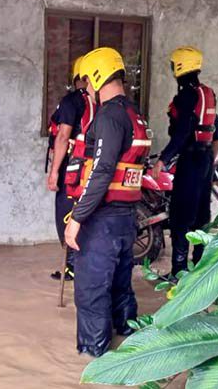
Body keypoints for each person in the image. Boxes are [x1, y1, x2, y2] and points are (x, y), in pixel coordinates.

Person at [64, 47, 152, 357]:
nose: (86, 87)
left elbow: (101, 171)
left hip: (102, 219)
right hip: (126, 217)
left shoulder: (109, 116)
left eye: (87, 81)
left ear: (97, 77)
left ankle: (95, 354)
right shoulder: (133, 113)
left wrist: (77, 219)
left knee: (90, 288)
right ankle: (127, 334)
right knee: (119, 282)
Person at [151, 46, 218, 277]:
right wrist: (211, 162)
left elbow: (182, 134)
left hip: (190, 160)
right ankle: (200, 267)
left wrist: (162, 160)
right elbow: (217, 134)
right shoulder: (207, 94)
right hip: (205, 160)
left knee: (180, 216)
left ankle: (179, 271)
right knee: (202, 215)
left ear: (179, 67)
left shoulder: (185, 96)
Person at [47, 56, 95, 281]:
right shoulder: (100, 102)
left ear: (77, 77)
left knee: (66, 214)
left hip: (72, 169)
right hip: (94, 168)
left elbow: (63, 136)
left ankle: (72, 267)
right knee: (88, 215)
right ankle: (86, 265)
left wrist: (54, 172)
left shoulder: (72, 101)